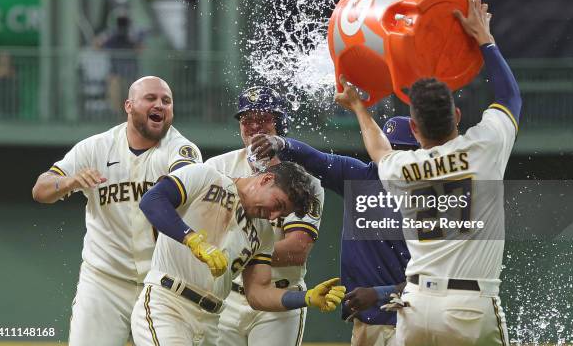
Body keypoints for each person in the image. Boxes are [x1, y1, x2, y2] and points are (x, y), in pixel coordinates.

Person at [335, 0, 521, 346]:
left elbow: (378, 150)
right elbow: (510, 98)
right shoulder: (485, 146)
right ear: (457, 116)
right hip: (469, 307)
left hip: (416, 306)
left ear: (415, 129)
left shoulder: (403, 168)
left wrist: (359, 107)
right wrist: (484, 39)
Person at [32, 76, 201, 346]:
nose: (160, 104)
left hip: (160, 284)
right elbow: (40, 190)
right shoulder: (96, 146)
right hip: (104, 282)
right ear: (129, 105)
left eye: (166, 101)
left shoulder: (181, 149)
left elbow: (187, 184)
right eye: (151, 98)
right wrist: (69, 181)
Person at [131, 161, 345, 346]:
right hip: (168, 304)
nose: (273, 216)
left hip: (210, 323)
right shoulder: (205, 176)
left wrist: (305, 297)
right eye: (278, 205)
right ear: (266, 179)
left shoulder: (264, 233)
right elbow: (152, 199)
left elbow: (258, 293)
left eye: (282, 214)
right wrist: (191, 239)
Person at [251, 116, 418, 346]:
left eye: (404, 150)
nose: (394, 156)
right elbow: (316, 159)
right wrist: (282, 143)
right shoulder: (360, 176)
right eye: (391, 147)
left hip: (414, 318)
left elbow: (436, 276)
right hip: (369, 322)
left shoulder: (433, 193)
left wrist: (380, 294)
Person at [204, 86, 325, 346]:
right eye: (247, 120)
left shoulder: (305, 180)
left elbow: (297, 249)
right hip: (225, 295)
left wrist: (235, 253)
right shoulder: (217, 167)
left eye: (264, 119)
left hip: (279, 294)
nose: (254, 126)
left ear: (280, 124)